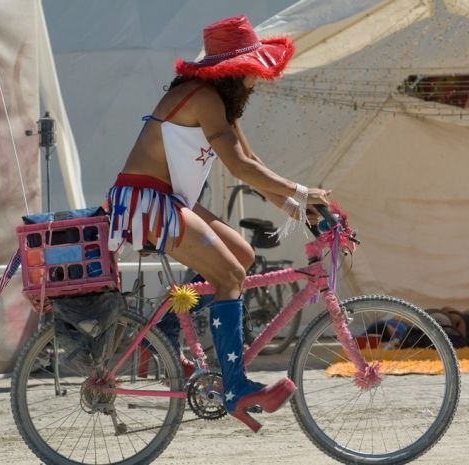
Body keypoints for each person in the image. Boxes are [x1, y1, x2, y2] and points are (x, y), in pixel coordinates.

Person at [105, 15, 330, 432]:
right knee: (228, 276)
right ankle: (236, 387)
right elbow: (239, 166)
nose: (256, 80)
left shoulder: (218, 105)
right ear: (234, 69)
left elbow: (254, 164)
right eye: (251, 71)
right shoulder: (203, 98)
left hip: (166, 199)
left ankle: (163, 339)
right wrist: (300, 191)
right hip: (147, 200)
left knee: (241, 257)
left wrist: (296, 206)